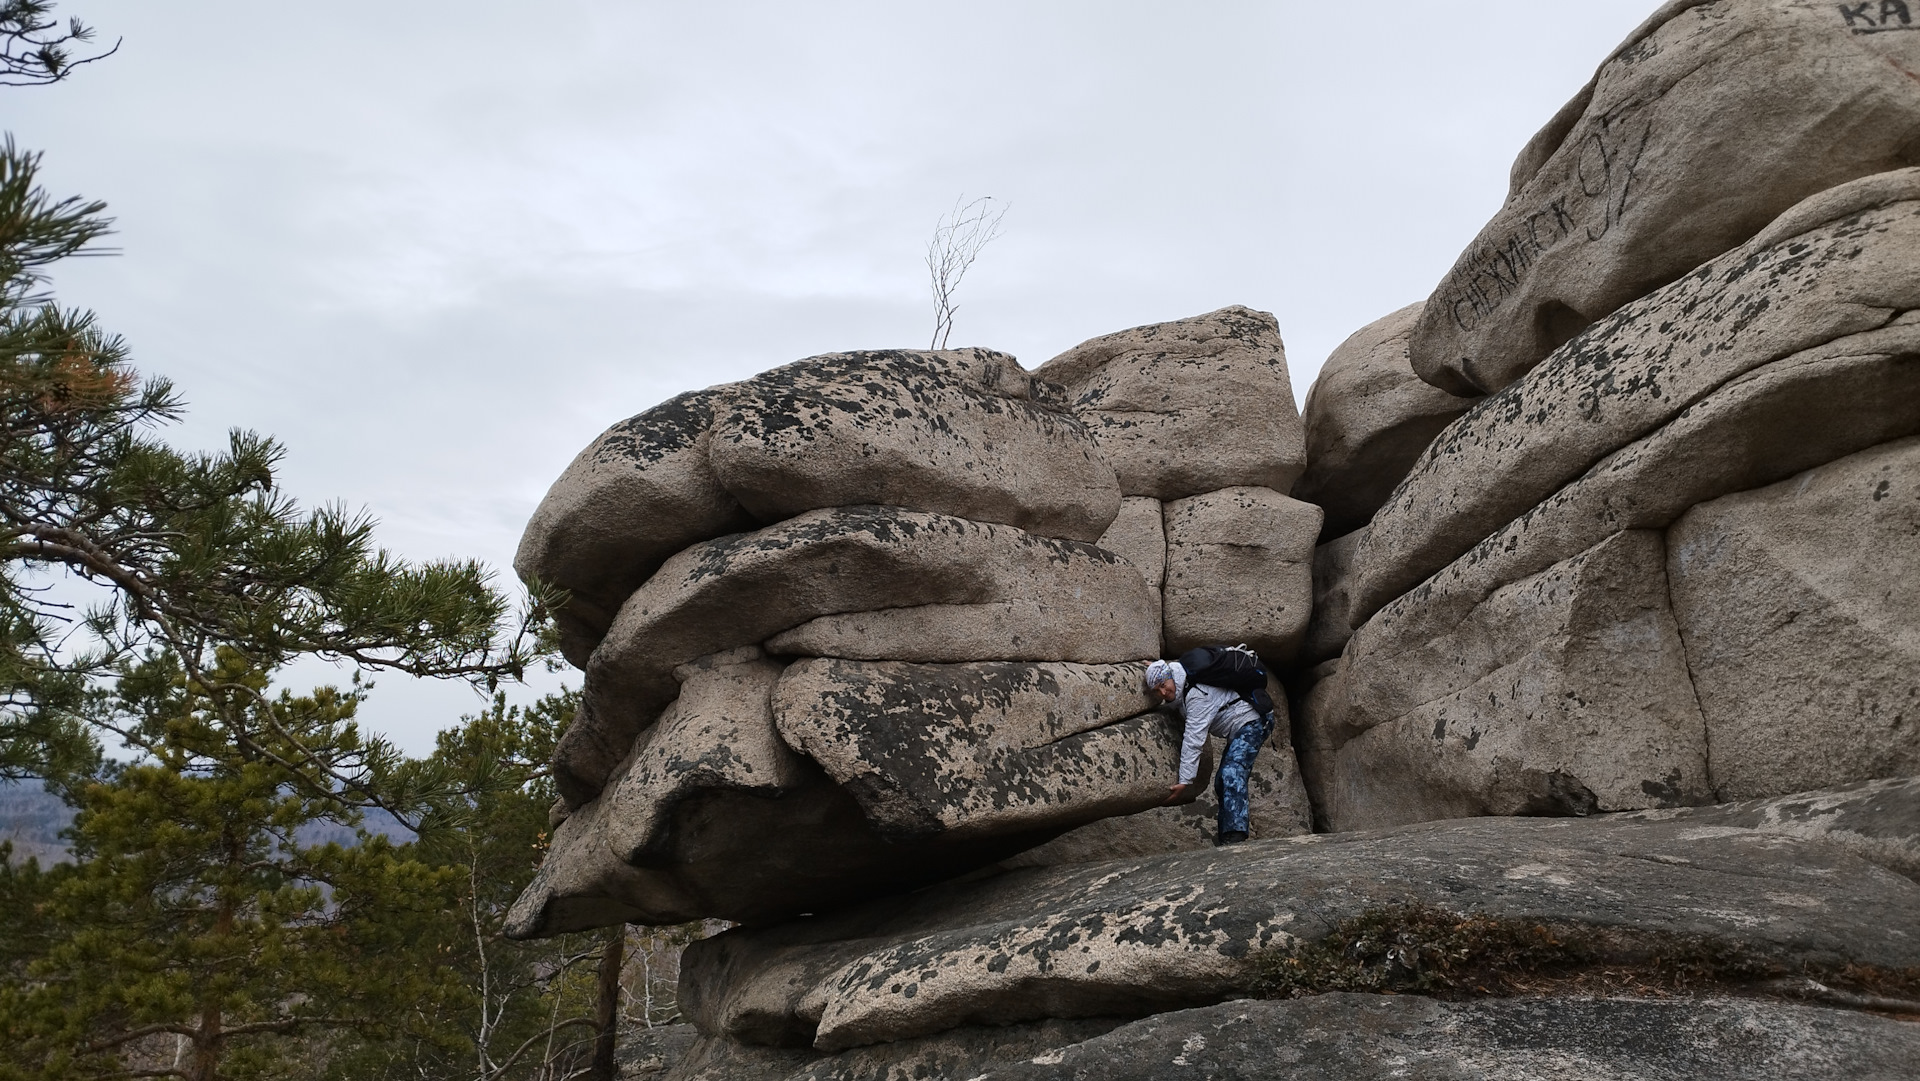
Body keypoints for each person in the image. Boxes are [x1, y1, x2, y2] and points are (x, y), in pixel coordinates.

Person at [1144, 656, 1274, 845]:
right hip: (1241, 727)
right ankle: (1226, 836)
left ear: (1170, 676)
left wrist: (1185, 780)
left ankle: (1235, 836)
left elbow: (1194, 739)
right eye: (1158, 690)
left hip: (1254, 721)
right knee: (1222, 779)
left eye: (1163, 685)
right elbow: (1172, 693)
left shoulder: (1197, 695)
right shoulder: (1180, 677)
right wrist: (1154, 668)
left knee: (1232, 773)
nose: (1163, 692)